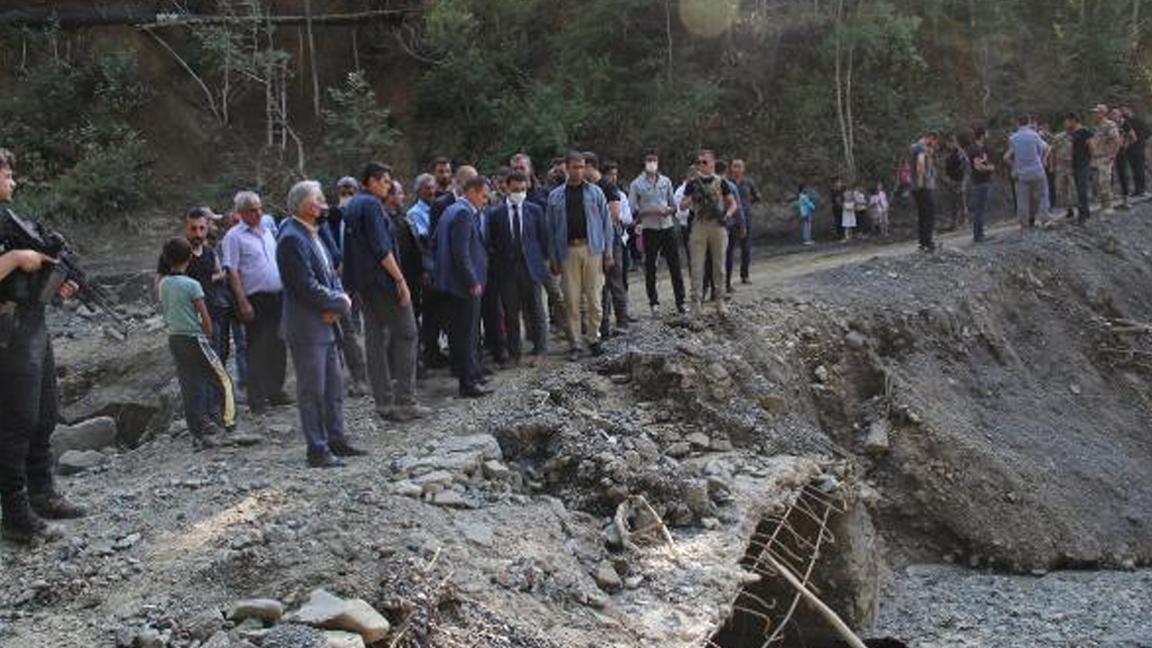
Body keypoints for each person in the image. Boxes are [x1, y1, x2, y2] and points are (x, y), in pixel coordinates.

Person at [0, 147, 86, 544]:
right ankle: (16, 514)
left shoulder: (12, 217)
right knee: (16, 420)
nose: (12, 182)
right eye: (6, 175)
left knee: (45, 412)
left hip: (31, 320)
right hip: (8, 328)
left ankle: (42, 491)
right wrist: (17, 257)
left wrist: (57, 283)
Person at [277, 180, 362, 468]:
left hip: (326, 322)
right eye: (320, 199)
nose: (325, 204)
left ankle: (336, 439)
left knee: (333, 386)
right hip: (307, 326)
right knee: (312, 390)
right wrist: (339, 302)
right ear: (306, 204)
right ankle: (317, 448)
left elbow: (330, 273)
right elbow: (303, 285)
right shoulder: (291, 237)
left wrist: (336, 304)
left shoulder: (312, 232)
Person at [342, 163, 427, 422]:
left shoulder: (353, 205)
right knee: (407, 333)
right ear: (372, 181)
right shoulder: (370, 206)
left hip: (365, 283)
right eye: (386, 181)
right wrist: (400, 280)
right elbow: (381, 247)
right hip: (382, 281)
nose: (389, 186)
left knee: (375, 339)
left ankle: (383, 401)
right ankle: (405, 400)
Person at [158, 237, 236, 448]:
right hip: (195, 337)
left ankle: (197, 433)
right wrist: (209, 334)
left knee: (188, 384)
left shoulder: (163, 283)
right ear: (190, 257)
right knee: (222, 378)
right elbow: (204, 316)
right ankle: (228, 424)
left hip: (175, 338)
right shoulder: (193, 285)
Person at [220, 191, 290, 414]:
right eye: (252, 209)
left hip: (276, 294)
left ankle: (275, 390)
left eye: (259, 208)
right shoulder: (234, 236)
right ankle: (256, 398)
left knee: (278, 343)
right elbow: (232, 270)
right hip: (255, 297)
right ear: (241, 213)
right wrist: (242, 302)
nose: (258, 213)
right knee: (257, 347)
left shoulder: (268, 231)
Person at [545, 151, 614, 360]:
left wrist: (608, 253)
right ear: (567, 167)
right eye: (575, 167)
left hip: (592, 249)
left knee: (594, 298)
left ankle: (594, 338)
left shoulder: (595, 193)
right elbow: (550, 229)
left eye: (582, 166)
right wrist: (553, 258)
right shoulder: (555, 196)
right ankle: (575, 343)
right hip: (567, 251)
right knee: (571, 300)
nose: (579, 171)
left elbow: (606, 223)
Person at [435, 176, 492, 397]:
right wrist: (472, 281)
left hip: (452, 283)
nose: (486, 201)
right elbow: (461, 252)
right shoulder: (463, 214)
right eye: (484, 196)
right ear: (473, 192)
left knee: (460, 333)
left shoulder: (451, 210)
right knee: (467, 334)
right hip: (463, 285)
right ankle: (468, 382)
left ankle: (471, 374)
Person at [487, 172, 548, 366]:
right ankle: (514, 354)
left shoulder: (535, 210)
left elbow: (543, 239)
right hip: (507, 270)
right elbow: (491, 242)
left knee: (536, 310)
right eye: (515, 189)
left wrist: (544, 264)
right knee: (510, 313)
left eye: (522, 189)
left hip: (530, 267)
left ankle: (540, 350)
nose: (519, 193)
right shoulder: (496, 214)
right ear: (506, 187)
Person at [512, 153, 567, 335]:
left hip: (544, 254)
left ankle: (567, 329)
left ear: (530, 169)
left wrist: (554, 254)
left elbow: (553, 224)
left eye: (522, 167)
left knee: (557, 294)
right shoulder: (509, 196)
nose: (519, 171)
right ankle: (533, 334)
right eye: (515, 168)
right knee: (528, 298)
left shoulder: (544, 193)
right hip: (521, 256)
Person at [681, 149, 738, 316]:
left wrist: (727, 216)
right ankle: (695, 303)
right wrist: (693, 198)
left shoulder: (721, 182)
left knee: (719, 265)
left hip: (717, 225)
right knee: (697, 266)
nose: (701, 165)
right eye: (699, 162)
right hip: (699, 224)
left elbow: (732, 203)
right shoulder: (693, 183)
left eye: (704, 162)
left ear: (713, 163)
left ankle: (719, 300)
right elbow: (682, 205)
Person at [629, 151, 685, 316]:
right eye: (649, 160)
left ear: (658, 162)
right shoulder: (636, 184)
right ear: (644, 162)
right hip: (649, 228)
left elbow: (674, 205)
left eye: (654, 160)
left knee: (675, 265)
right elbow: (632, 209)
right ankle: (654, 302)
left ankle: (680, 301)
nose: (651, 163)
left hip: (667, 226)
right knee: (651, 266)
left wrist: (669, 209)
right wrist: (648, 210)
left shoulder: (665, 181)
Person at [584, 153, 629, 337]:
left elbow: (615, 214)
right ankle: (602, 325)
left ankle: (622, 321)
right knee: (598, 287)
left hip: (611, 241)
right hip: (593, 243)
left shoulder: (608, 186)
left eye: (582, 167)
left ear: (590, 166)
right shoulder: (587, 187)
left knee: (614, 282)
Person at [1004, 115, 1049, 233]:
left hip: (1022, 172)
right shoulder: (1034, 135)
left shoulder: (1013, 138)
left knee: (1022, 199)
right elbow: (1045, 148)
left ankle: (1024, 225)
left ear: (1018, 123)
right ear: (1028, 122)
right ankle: (1044, 219)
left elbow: (1007, 157)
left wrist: (1014, 166)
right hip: (1037, 170)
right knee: (1042, 195)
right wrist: (1043, 159)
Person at [728, 159, 760, 284]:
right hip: (731, 219)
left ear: (743, 169)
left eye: (739, 166)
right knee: (729, 249)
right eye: (734, 166)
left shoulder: (748, 182)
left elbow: (757, 196)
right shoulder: (727, 182)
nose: (736, 169)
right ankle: (727, 280)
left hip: (746, 218)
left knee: (745, 248)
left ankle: (744, 275)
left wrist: (748, 204)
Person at [910, 132, 940, 252]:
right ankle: (927, 241)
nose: (933, 147)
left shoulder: (917, 148)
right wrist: (921, 182)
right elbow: (920, 165)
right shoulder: (921, 148)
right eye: (933, 143)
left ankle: (923, 241)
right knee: (928, 213)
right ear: (930, 139)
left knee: (923, 214)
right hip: (923, 187)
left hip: (918, 186)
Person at [1091, 104, 1121, 214]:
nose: (1094, 114)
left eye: (1096, 112)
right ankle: (1102, 204)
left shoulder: (1109, 124)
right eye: (1094, 112)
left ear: (1103, 113)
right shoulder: (1096, 125)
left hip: (1105, 157)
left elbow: (1116, 140)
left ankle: (1108, 206)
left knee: (1104, 181)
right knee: (1097, 182)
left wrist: (1112, 155)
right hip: (1096, 157)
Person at [1065, 112, 1095, 224]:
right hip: (1076, 164)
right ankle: (1085, 211)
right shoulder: (1073, 133)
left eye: (1068, 121)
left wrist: (1092, 161)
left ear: (1073, 120)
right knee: (1078, 189)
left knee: (1082, 189)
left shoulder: (1085, 131)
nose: (1066, 123)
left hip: (1084, 163)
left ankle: (1083, 214)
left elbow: (1091, 146)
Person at [967, 127, 995, 242]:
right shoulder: (975, 149)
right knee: (979, 209)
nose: (988, 135)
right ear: (982, 135)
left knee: (981, 208)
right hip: (980, 182)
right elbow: (977, 166)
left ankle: (980, 233)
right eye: (986, 133)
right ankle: (978, 235)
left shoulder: (981, 148)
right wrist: (990, 168)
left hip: (983, 181)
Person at [942, 135, 970, 230]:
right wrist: (946, 177)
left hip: (959, 180)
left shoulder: (960, 153)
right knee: (952, 202)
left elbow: (966, 166)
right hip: (951, 180)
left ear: (954, 142)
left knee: (962, 201)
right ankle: (954, 223)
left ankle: (965, 222)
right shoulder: (949, 153)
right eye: (947, 143)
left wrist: (964, 181)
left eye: (950, 143)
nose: (948, 145)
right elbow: (947, 167)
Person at [1122, 105, 1149, 198]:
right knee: (1134, 170)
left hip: (1139, 148)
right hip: (1129, 149)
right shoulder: (1125, 122)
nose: (1124, 112)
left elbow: (1148, 132)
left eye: (1125, 110)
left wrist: (1141, 141)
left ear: (1130, 110)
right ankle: (1137, 190)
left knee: (1140, 169)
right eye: (1122, 111)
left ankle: (1142, 189)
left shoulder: (1139, 120)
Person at [1050, 125, 1075, 221]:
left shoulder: (1076, 136)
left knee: (1073, 188)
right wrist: (1052, 165)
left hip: (1072, 165)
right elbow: (1052, 151)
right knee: (1062, 188)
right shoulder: (1058, 137)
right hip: (1061, 165)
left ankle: (1075, 206)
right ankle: (1068, 209)